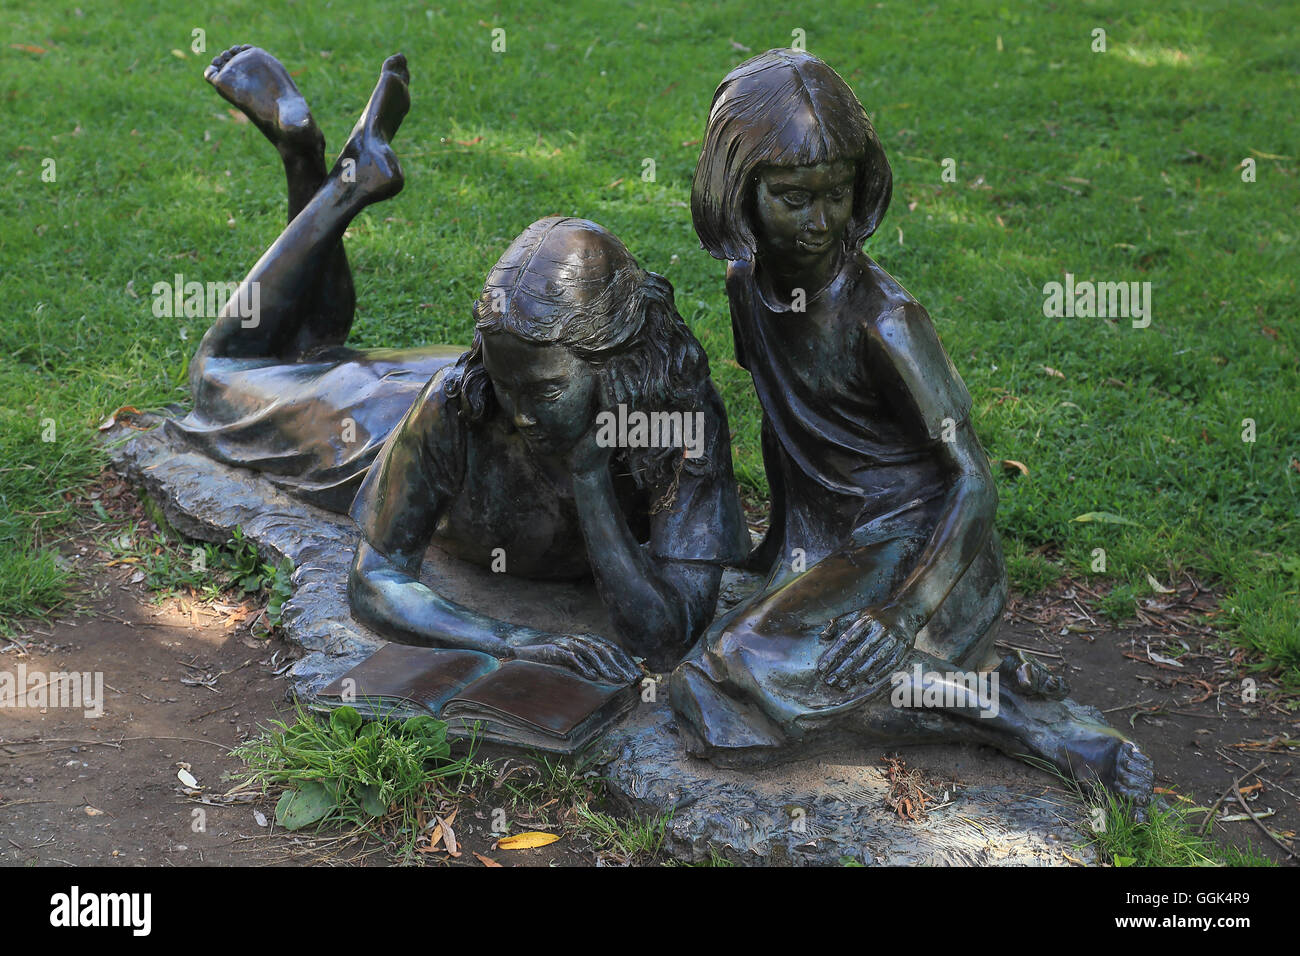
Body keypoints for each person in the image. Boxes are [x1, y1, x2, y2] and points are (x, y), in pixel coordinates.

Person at [671, 49, 1152, 806]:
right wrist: (777, 557)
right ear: (737, 192)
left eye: (835, 194)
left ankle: (1018, 722)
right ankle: (966, 685)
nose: (819, 222)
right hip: (833, 542)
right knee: (707, 681)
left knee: (743, 662)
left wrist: (903, 616)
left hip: (925, 552)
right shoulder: (747, 285)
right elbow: (783, 424)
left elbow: (973, 484)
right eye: (793, 198)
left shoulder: (885, 321)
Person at [175, 47, 750, 679]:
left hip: (415, 387)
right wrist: (509, 639)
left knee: (313, 344)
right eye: (508, 386)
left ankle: (334, 170)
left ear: (614, 363)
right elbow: (374, 582)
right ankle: (331, 179)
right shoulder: (463, 398)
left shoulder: (677, 419)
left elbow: (668, 637)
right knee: (220, 376)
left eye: (546, 389)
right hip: (369, 419)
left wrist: (590, 479)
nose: (521, 414)